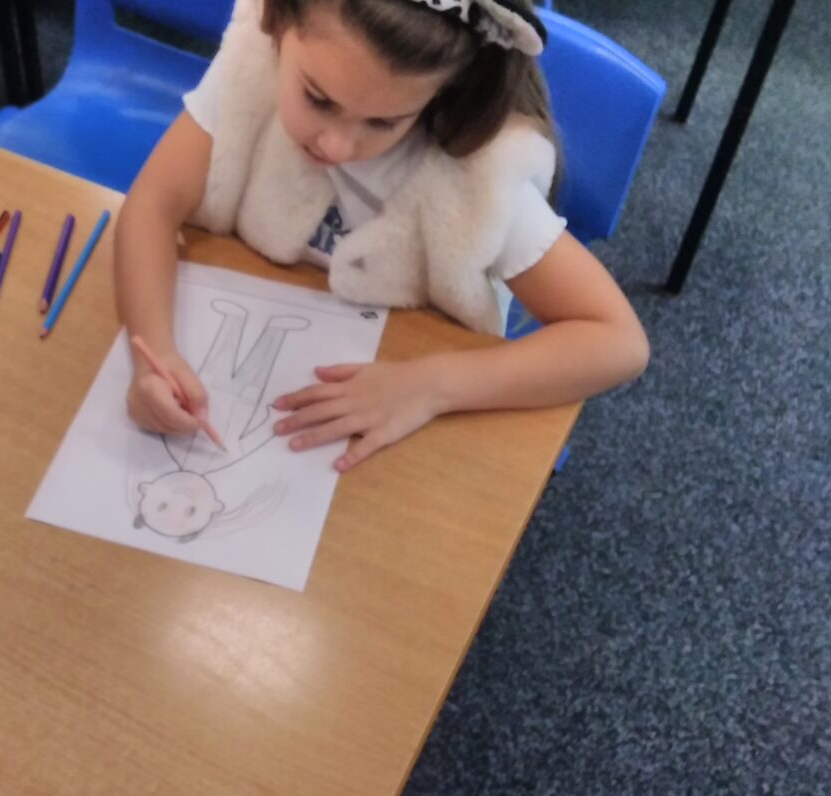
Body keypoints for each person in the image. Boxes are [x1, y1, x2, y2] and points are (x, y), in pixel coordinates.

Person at [115, 0, 649, 473]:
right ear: (276, 18)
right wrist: (152, 356)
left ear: (442, 93)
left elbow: (618, 342)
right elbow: (152, 207)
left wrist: (431, 386)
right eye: (318, 99)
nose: (336, 145)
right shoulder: (252, 64)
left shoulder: (476, 179)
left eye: (383, 123)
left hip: (398, 434)